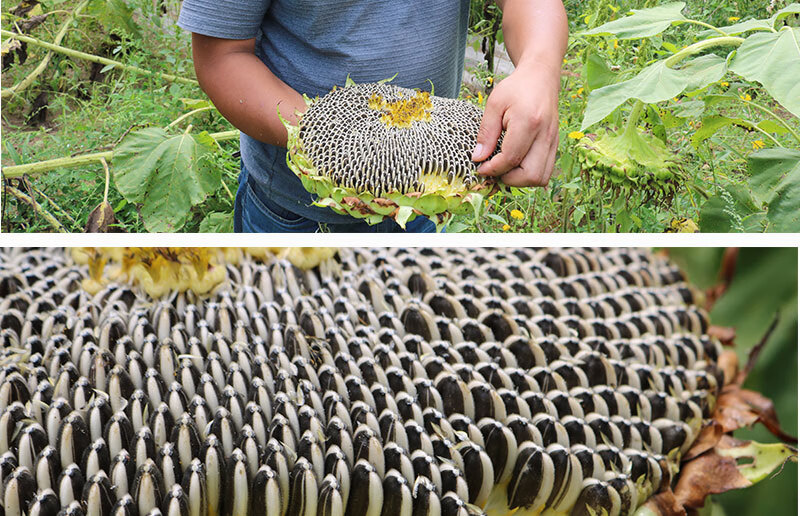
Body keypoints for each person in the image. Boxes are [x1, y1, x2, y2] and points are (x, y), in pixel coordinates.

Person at [178, 0, 567, 233]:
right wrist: (325, 135)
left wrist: (539, 68)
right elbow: (221, 55)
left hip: (427, 194)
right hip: (293, 212)